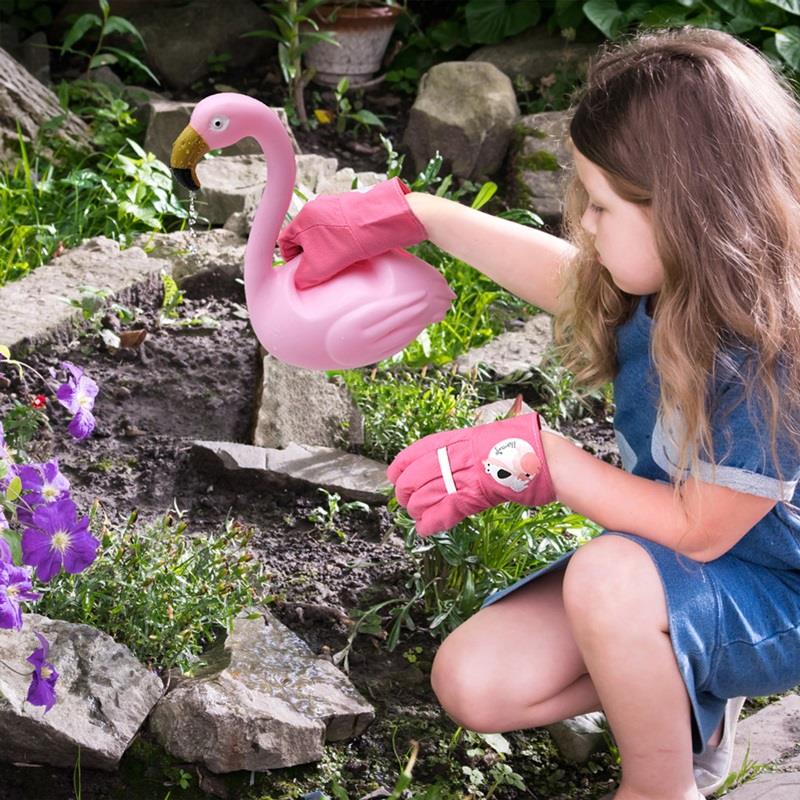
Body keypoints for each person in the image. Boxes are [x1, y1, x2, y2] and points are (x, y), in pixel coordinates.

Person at [277, 25, 800, 800]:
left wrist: (545, 460)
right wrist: (415, 215)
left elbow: (701, 529)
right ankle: (687, 702)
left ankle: (662, 784)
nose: (582, 222)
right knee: (476, 682)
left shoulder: (774, 351)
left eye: (601, 205)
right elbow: (574, 282)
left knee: (608, 578)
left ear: (688, 214)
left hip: (776, 596)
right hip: (671, 571)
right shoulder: (679, 278)